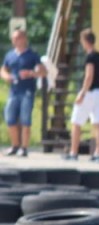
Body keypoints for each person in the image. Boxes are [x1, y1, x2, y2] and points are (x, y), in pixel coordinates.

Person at [2, 28, 46, 157]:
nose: (15, 40)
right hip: (13, 91)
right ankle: (15, 146)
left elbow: (43, 72)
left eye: (17, 37)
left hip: (27, 91)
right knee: (10, 118)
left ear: (24, 39)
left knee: (25, 118)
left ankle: (24, 148)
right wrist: (6, 77)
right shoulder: (10, 55)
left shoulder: (32, 55)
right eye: (13, 38)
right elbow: (3, 70)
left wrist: (31, 73)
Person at [65, 28, 99, 162]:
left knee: (76, 122)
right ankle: (98, 153)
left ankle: (73, 152)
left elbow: (89, 76)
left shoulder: (90, 57)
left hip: (89, 92)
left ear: (86, 41)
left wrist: (82, 93)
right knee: (97, 123)